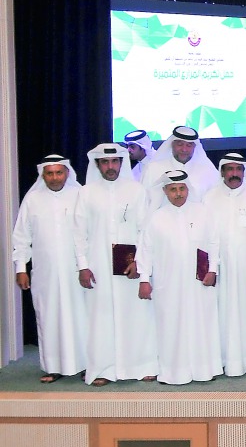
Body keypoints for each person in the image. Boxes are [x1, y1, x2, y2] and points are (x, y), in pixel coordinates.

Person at [74, 144, 154, 386]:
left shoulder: (137, 190)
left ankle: (142, 365)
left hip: (130, 266)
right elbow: (79, 233)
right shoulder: (86, 193)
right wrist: (83, 266)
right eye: (105, 163)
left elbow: (145, 230)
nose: (111, 167)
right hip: (98, 265)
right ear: (98, 165)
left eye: (115, 162)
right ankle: (104, 369)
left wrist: (140, 263)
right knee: (101, 317)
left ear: (122, 163)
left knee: (137, 315)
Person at [136, 170, 221, 385]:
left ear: (187, 189)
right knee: (171, 326)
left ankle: (203, 370)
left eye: (181, 188)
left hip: (198, 282)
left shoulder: (202, 212)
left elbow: (213, 242)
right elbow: (146, 250)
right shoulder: (156, 218)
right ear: (165, 191)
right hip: (168, 283)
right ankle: (174, 372)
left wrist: (213, 270)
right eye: (173, 189)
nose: (178, 193)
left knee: (200, 323)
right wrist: (144, 279)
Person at [12, 155, 87, 383]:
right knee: (48, 316)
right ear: (42, 175)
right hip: (45, 273)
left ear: (67, 173)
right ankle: (53, 367)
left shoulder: (79, 195)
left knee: (81, 316)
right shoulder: (33, 199)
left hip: (77, 270)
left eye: (59, 172)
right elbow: (22, 236)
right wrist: (21, 268)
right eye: (50, 173)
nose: (55, 178)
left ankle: (86, 364)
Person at [203, 153, 246, 377]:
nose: (233, 174)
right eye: (229, 169)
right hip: (219, 267)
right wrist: (210, 266)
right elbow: (206, 234)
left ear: (244, 171)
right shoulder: (210, 197)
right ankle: (223, 358)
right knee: (222, 310)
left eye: (238, 169)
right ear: (222, 172)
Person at [139, 125, 220, 203]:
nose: (184, 149)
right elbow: (143, 202)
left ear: (194, 147)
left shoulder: (208, 171)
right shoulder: (153, 169)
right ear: (172, 144)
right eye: (180, 144)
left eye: (189, 145)